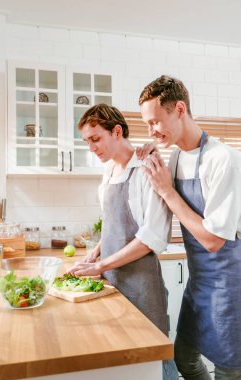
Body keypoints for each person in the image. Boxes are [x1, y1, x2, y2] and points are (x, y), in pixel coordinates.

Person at [138, 74, 241, 380]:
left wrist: (168, 191)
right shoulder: (176, 156)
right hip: (199, 283)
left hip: (230, 286)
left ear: (179, 109)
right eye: (147, 124)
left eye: (156, 121)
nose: (152, 130)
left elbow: (213, 240)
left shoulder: (223, 159)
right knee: (183, 358)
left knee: (229, 372)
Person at [67, 103, 179, 380]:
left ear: (116, 131)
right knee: (124, 363)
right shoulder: (108, 172)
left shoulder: (146, 169)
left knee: (155, 359)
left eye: (96, 139)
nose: (92, 147)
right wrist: (95, 254)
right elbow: (111, 225)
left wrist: (100, 264)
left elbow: (151, 238)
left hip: (141, 285)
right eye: (87, 142)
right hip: (112, 281)